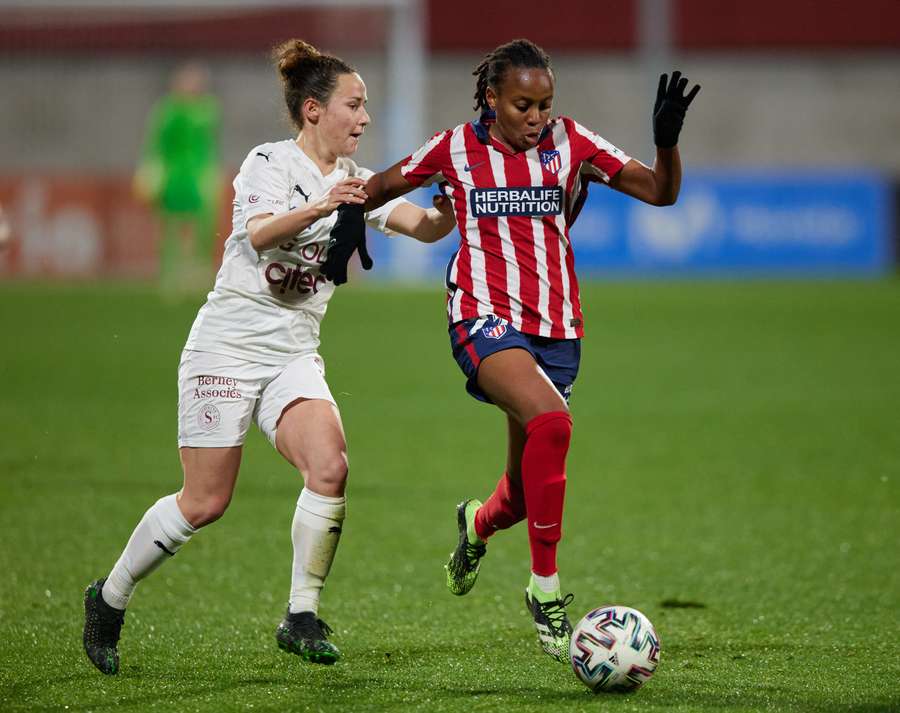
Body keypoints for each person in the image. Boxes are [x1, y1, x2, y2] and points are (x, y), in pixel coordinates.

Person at [82, 39, 456, 675]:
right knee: (205, 502)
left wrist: (446, 206)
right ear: (313, 110)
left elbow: (424, 227)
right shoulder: (269, 163)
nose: (365, 118)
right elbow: (258, 234)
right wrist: (326, 205)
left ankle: (300, 615)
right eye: (354, 105)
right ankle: (110, 596)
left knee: (330, 466)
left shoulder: (359, 183)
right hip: (226, 347)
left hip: (292, 352)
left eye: (365, 106)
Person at [329, 38, 700, 663]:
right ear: (492, 98)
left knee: (524, 495)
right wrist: (345, 224)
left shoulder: (572, 143)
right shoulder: (454, 147)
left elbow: (662, 192)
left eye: (544, 105)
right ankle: (544, 591)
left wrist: (666, 140)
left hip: (557, 326)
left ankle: (476, 525)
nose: (536, 117)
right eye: (523, 105)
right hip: (481, 315)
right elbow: (381, 184)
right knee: (553, 421)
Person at [133, 62, 222, 293]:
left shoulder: (207, 110)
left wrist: (211, 172)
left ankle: (197, 270)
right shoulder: (168, 111)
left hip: (198, 174)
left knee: (202, 225)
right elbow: (157, 145)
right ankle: (169, 273)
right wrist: (152, 170)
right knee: (170, 225)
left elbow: (208, 146)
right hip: (173, 175)